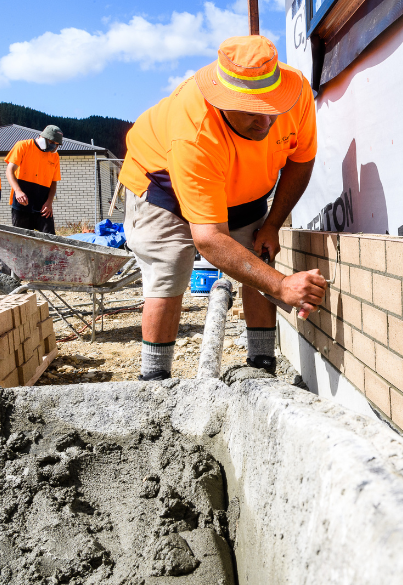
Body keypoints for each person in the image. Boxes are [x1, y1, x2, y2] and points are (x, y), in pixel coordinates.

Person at [118, 35, 326, 381]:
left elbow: (301, 160)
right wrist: (282, 286)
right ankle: (154, 384)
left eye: (270, 110)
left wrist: (273, 223)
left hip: (243, 183)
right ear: (221, 102)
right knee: (169, 270)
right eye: (251, 113)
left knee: (257, 260)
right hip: (161, 184)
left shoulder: (296, 93)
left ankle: (261, 367)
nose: (265, 123)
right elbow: (210, 239)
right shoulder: (195, 130)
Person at [5, 125, 63, 234]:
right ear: (42, 137)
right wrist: (18, 191)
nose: (53, 146)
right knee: (22, 240)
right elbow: (9, 171)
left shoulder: (55, 157)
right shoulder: (23, 146)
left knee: (50, 241)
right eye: (52, 142)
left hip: (44, 207)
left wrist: (49, 202)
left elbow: (53, 182)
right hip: (22, 204)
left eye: (56, 144)